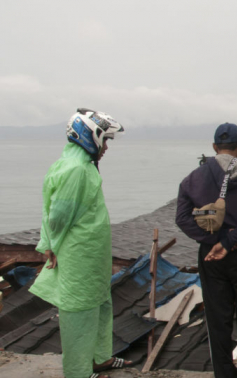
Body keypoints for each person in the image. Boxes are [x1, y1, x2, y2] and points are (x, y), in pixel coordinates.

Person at [29, 108, 133, 378]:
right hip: (79, 257)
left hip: (91, 255)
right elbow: (58, 217)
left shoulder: (79, 165)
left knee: (99, 305)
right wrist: (50, 247)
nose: (107, 147)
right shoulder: (76, 169)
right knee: (79, 313)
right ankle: (78, 371)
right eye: (105, 140)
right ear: (91, 137)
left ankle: (99, 359)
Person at [176, 123, 237, 378]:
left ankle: (224, 373)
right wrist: (231, 241)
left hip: (210, 256)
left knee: (218, 317)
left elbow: (182, 218)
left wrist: (215, 240)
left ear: (214, 147)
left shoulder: (193, 178)